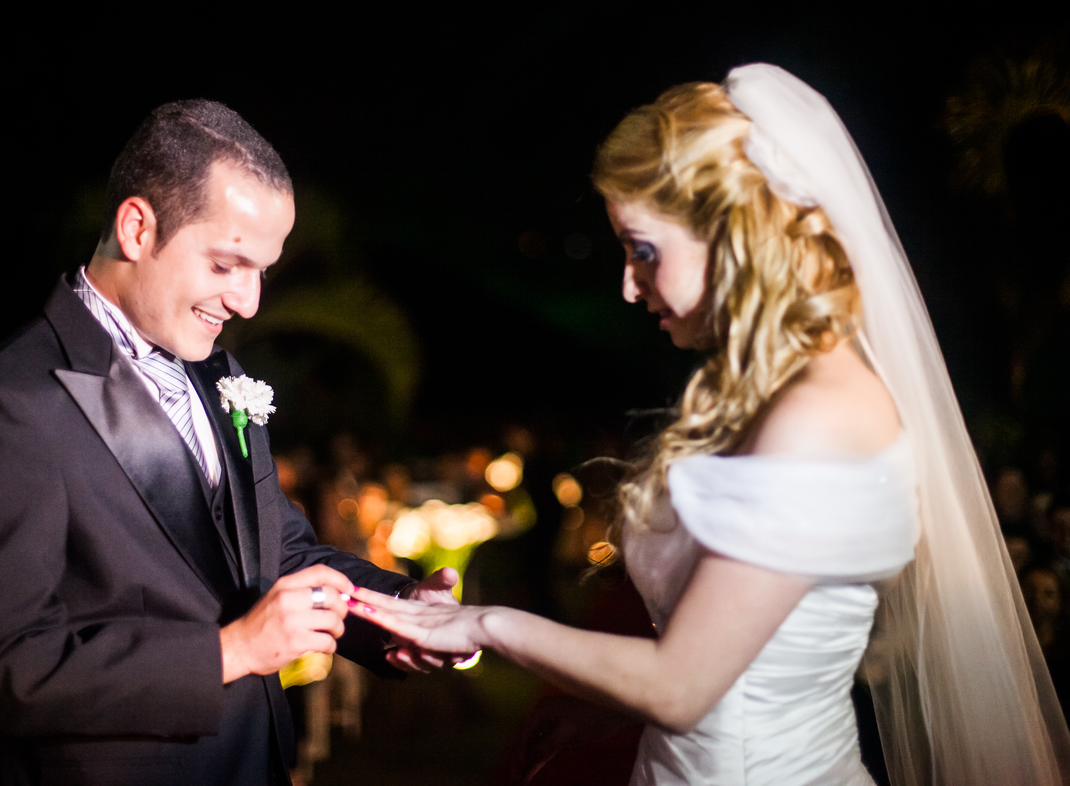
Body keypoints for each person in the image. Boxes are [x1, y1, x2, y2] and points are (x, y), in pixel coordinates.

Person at [350, 65, 1070, 784]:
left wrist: (485, 623)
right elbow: (747, 662)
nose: (629, 286)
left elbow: (685, 685)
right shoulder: (781, 396)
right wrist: (611, 713)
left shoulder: (818, 413)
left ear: (734, 234)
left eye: (643, 251)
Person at [0, 99, 456, 786]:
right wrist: (227, 652)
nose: (249, 302)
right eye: (228, 265)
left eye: (263, 270)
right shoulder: (3, 408)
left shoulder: (217, 374)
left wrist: (399, 613)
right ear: (138, 227)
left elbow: (279, 552)